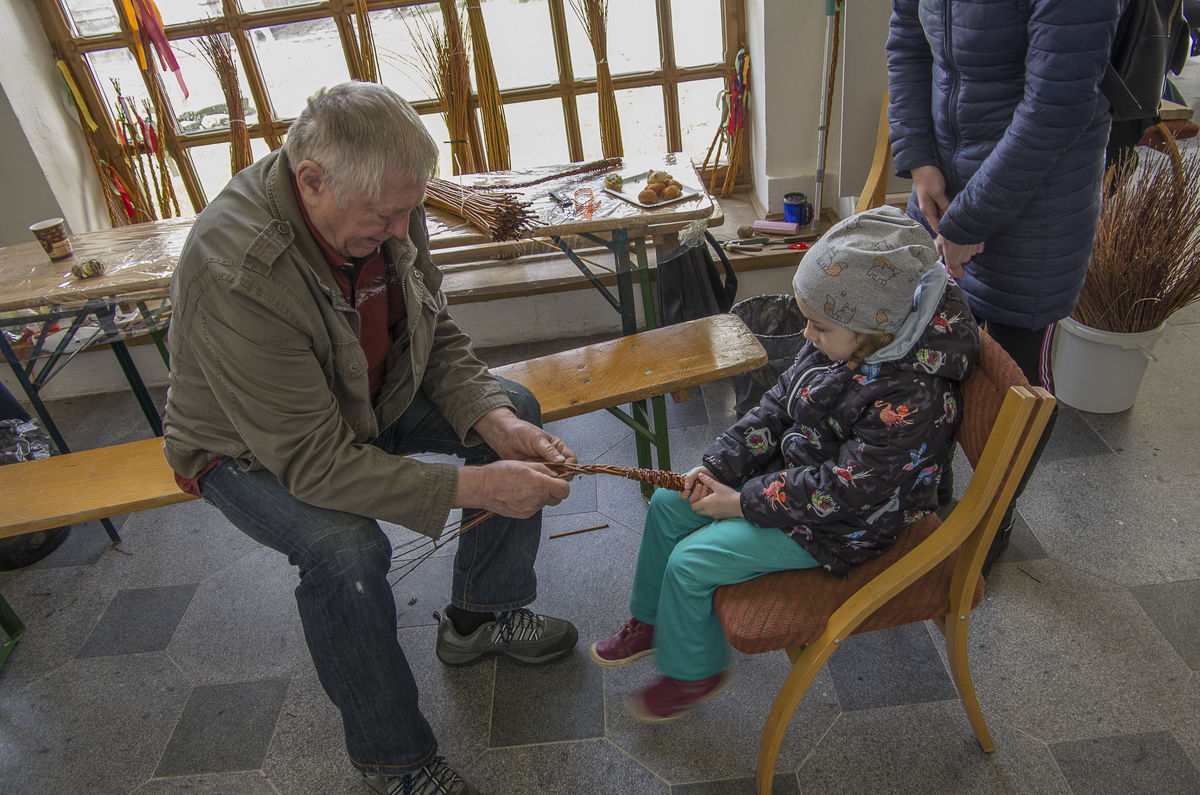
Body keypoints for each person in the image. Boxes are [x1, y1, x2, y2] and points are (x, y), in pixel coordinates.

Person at [162, 81, 578, 795]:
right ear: (312, 181)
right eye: (386, 215)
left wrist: (497, 422)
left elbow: (434, 330)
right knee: (346, 550)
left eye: (407, 211)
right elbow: (316, 461)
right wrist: (477, 489)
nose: (400, 228)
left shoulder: (388, 202)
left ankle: (480, 618)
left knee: (514, 408)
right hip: (246, 446)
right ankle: (395, 761)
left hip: (365, 393)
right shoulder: (238, 269)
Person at [590, 207, 980, 721]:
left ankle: (692, 671)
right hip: (795, 480)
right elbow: (776, 406)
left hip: (842, 525)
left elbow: (843, 490)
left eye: (817, 326)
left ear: (873, 330)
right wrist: (719, 467)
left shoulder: (914, 398)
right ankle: (654, 620)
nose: (805, 337)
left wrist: (743, 503)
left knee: (690, 562)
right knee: (668, 502)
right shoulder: (844, 342)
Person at [886, 0, 1122, 569]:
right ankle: (926, 491)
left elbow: (1056, 108)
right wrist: (919, 159)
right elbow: (907, 41)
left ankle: (992, 516)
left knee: (1017, 379)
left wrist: (969, 222)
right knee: (930, 352)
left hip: (1037, 199)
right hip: (943, 187)